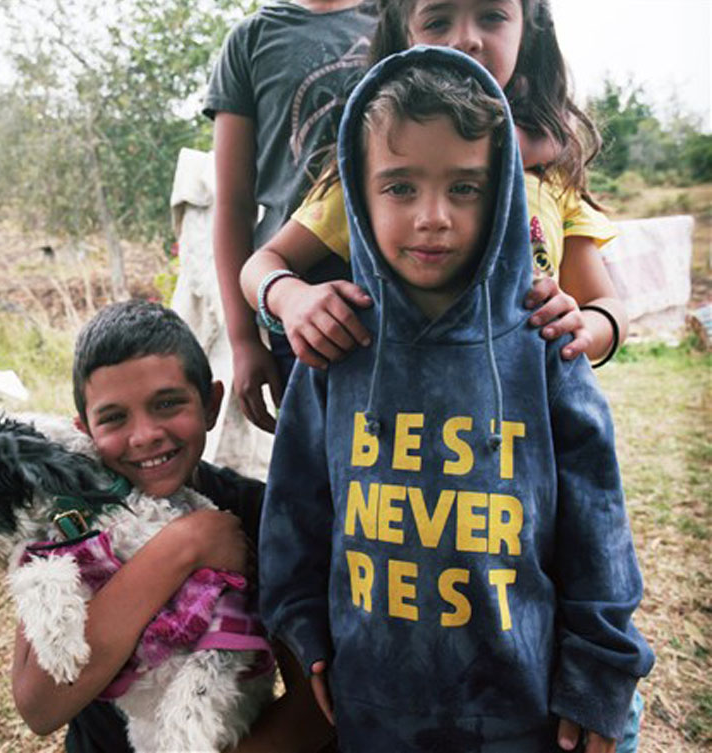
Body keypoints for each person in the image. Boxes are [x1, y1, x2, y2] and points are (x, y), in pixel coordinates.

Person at [258, 47, 653, 753]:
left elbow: (599, 528)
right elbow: (295, 510)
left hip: (521, 710)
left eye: (464, 188)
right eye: (400, 187)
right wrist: (305, 630)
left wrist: (599, 670)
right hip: (374, 707)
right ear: (357, 192)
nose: (433, 216)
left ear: (500, 191)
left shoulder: (542, 342)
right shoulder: (335, 348)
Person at [240, 0, 627, 382]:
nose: (465, 40)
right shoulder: (375, 173)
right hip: (380, 427)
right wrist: (290, 298)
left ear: (529, 27)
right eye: (438, 20)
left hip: (521, 432)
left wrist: (583, 331)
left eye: (491, 16)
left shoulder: (549, 180)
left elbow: (606, 305)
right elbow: (265, 261)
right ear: (402, 36)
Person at [10, 300, 334, 753]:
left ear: (211, 404)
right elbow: (40, 707)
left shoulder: (263, 515)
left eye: (167, 403)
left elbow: (315, 713)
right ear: (84, 431)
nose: (144, 435)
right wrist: (184, 545)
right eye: (114, 417)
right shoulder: (67, 517)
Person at [206, 0, 378, 432]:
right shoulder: (251, 41)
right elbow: (233, 204)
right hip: (293, 304)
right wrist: (244, 341)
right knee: (315, 472)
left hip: (402, 299)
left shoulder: (403, 17)